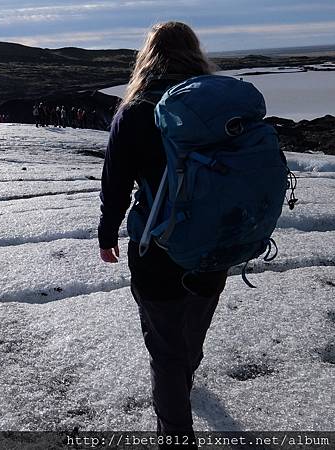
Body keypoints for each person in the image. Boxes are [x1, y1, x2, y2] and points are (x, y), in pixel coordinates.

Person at [98, 22, 228, 448]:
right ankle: (183, 385)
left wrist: (107, 233)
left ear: (149, 55)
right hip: (214, 245)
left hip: (157, 249)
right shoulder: (221, 107)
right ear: (196, 52)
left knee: (166, 350)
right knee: (190, 336)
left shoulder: (136, 111)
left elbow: (115, 183)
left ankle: (174, 435)